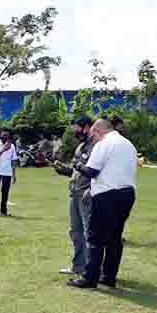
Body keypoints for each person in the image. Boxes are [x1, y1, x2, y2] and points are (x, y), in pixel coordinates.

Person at [67, 119, 137, 289]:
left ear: (98, 131)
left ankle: (90, 277)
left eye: (94, 135)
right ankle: (109, 276)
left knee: (95, 238)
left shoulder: (103, 144)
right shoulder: (128, 144)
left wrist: (77, 165)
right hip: (127, 193)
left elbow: (91, 171)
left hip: (107, 195)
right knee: (114, 238)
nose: (93, 138)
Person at [53, 115, 95, 276]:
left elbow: (97, 172)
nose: (75, 131)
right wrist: (64, 170)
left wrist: (90, 189)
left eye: (77, 128)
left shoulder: (97, 147)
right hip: (75, 194)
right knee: (75, 232)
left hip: (87, 195)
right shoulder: (81, 147)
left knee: (88, 233)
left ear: (87, 127)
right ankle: (78, 266)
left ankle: (91, 270)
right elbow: (77, 171)